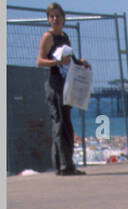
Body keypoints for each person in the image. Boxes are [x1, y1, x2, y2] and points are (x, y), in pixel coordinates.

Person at [37, 3, 90, 176]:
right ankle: (62, 166)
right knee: (59, 123)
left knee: (66, 123)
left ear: (63, 18)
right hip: (55, 84)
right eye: (51, 17)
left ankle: (67, 164)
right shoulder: (48, 37)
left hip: (66, 83)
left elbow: (71, 59)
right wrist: (58, 62)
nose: (55, 20)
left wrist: (80, 63)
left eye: (57, 16)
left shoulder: (64, 36)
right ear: (48, 20)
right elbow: (40, 61)